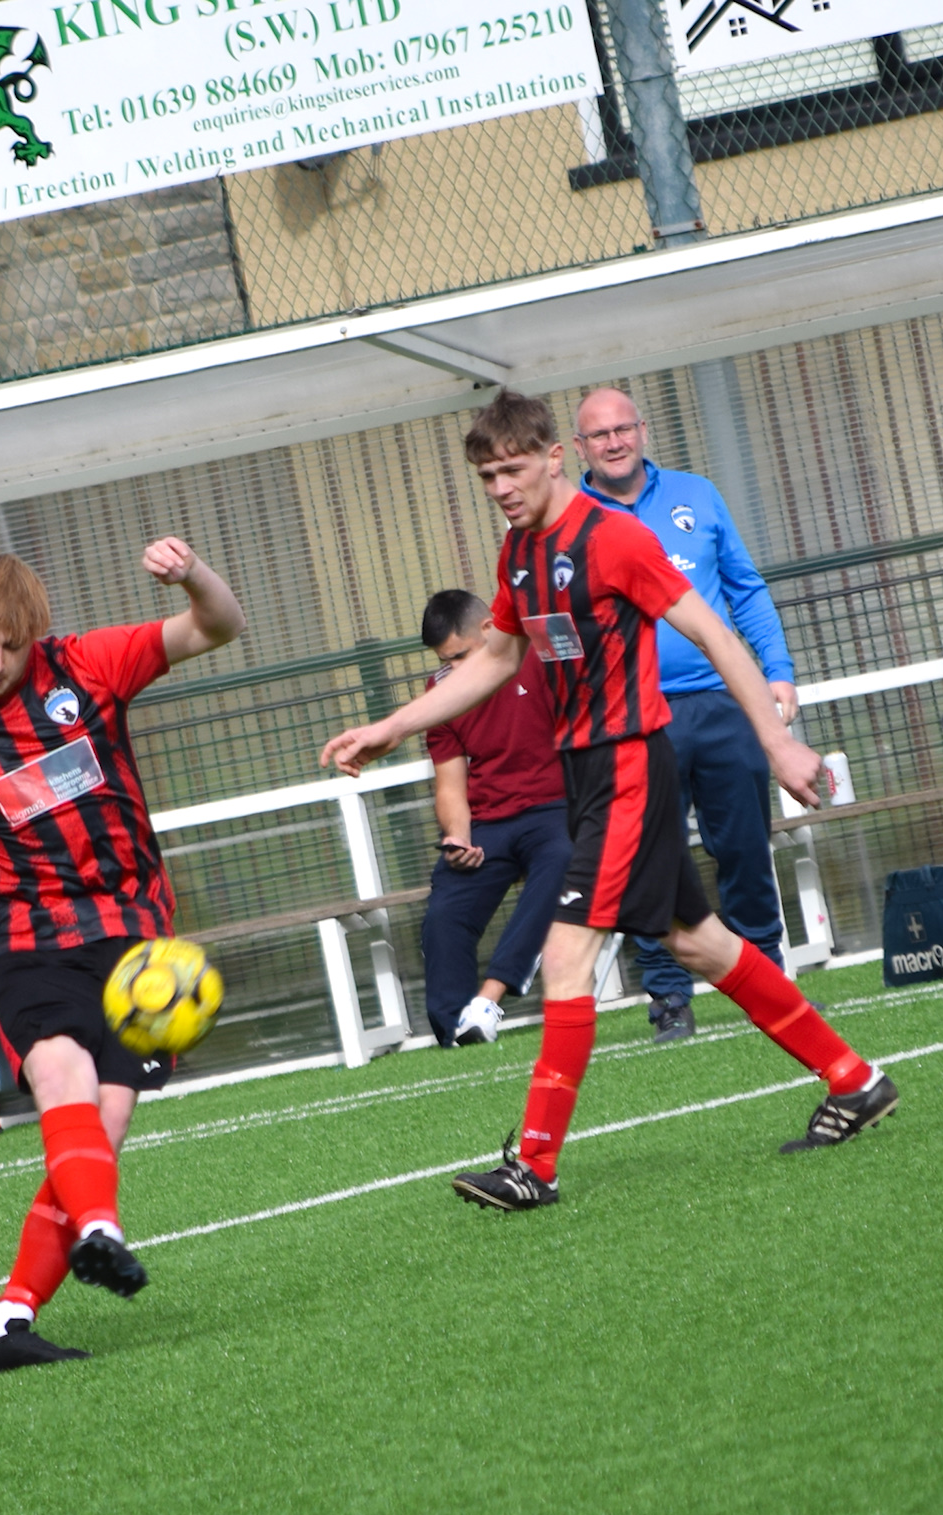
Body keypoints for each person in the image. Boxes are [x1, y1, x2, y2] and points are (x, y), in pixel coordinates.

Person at [322, 391, 898, 1207]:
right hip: (586, 775)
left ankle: (534, 1165)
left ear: (556, 457)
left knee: (565, 956)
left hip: (628, 766)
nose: (500, 487)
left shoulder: (614, 538)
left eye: (513, 470)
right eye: (487, 476)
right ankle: (853, 1078)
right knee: (699, 943)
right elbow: (491, 660)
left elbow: (714, 632)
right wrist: (390, 727)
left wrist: (776, 742)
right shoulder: (518, 552)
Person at [0, 541, 244, 1375]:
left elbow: (218, 625)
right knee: (59, 1075)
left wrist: (193, 576)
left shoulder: (90, 666)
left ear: (39, 634)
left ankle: (7, 1327)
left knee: (107, 1124)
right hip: (30, 943)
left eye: (13, 647)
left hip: (136, 945)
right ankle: (101, 1229)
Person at [573, 388, 797, 1042]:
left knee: (745, 849)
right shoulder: (570, 522)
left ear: (643, 430)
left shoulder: (697, 495)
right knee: (649, 861)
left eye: (623, 429)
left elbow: (745, 589)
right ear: (579, 448)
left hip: (722, 704)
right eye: (600, 435)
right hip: (633, 719)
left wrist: (777, 671)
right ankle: (668, 996)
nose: (615, 442)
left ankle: (768, 981)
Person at [415, 588, 570, 1047]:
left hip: (558, 809)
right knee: (445, 911)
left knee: (561, 860)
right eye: (445, 661)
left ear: (489, 630)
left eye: (460, 656)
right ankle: (455, 1033)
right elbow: (449, 785)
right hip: (489, 825)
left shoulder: (545, 650)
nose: (454, 671)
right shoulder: (440, 690)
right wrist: (458, 837)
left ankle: (490, 999)